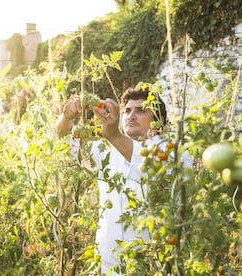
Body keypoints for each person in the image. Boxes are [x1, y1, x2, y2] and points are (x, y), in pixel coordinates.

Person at [55, 86, 190, 274]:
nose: (131, 115)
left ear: (159, 121)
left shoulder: (174, 152)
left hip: (153, 263)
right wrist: (67, 117)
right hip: (109, 261)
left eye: (141, 110)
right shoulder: (108, 151)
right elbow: (64, 141)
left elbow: (147, 163)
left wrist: (112, 134)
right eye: (127, 111)